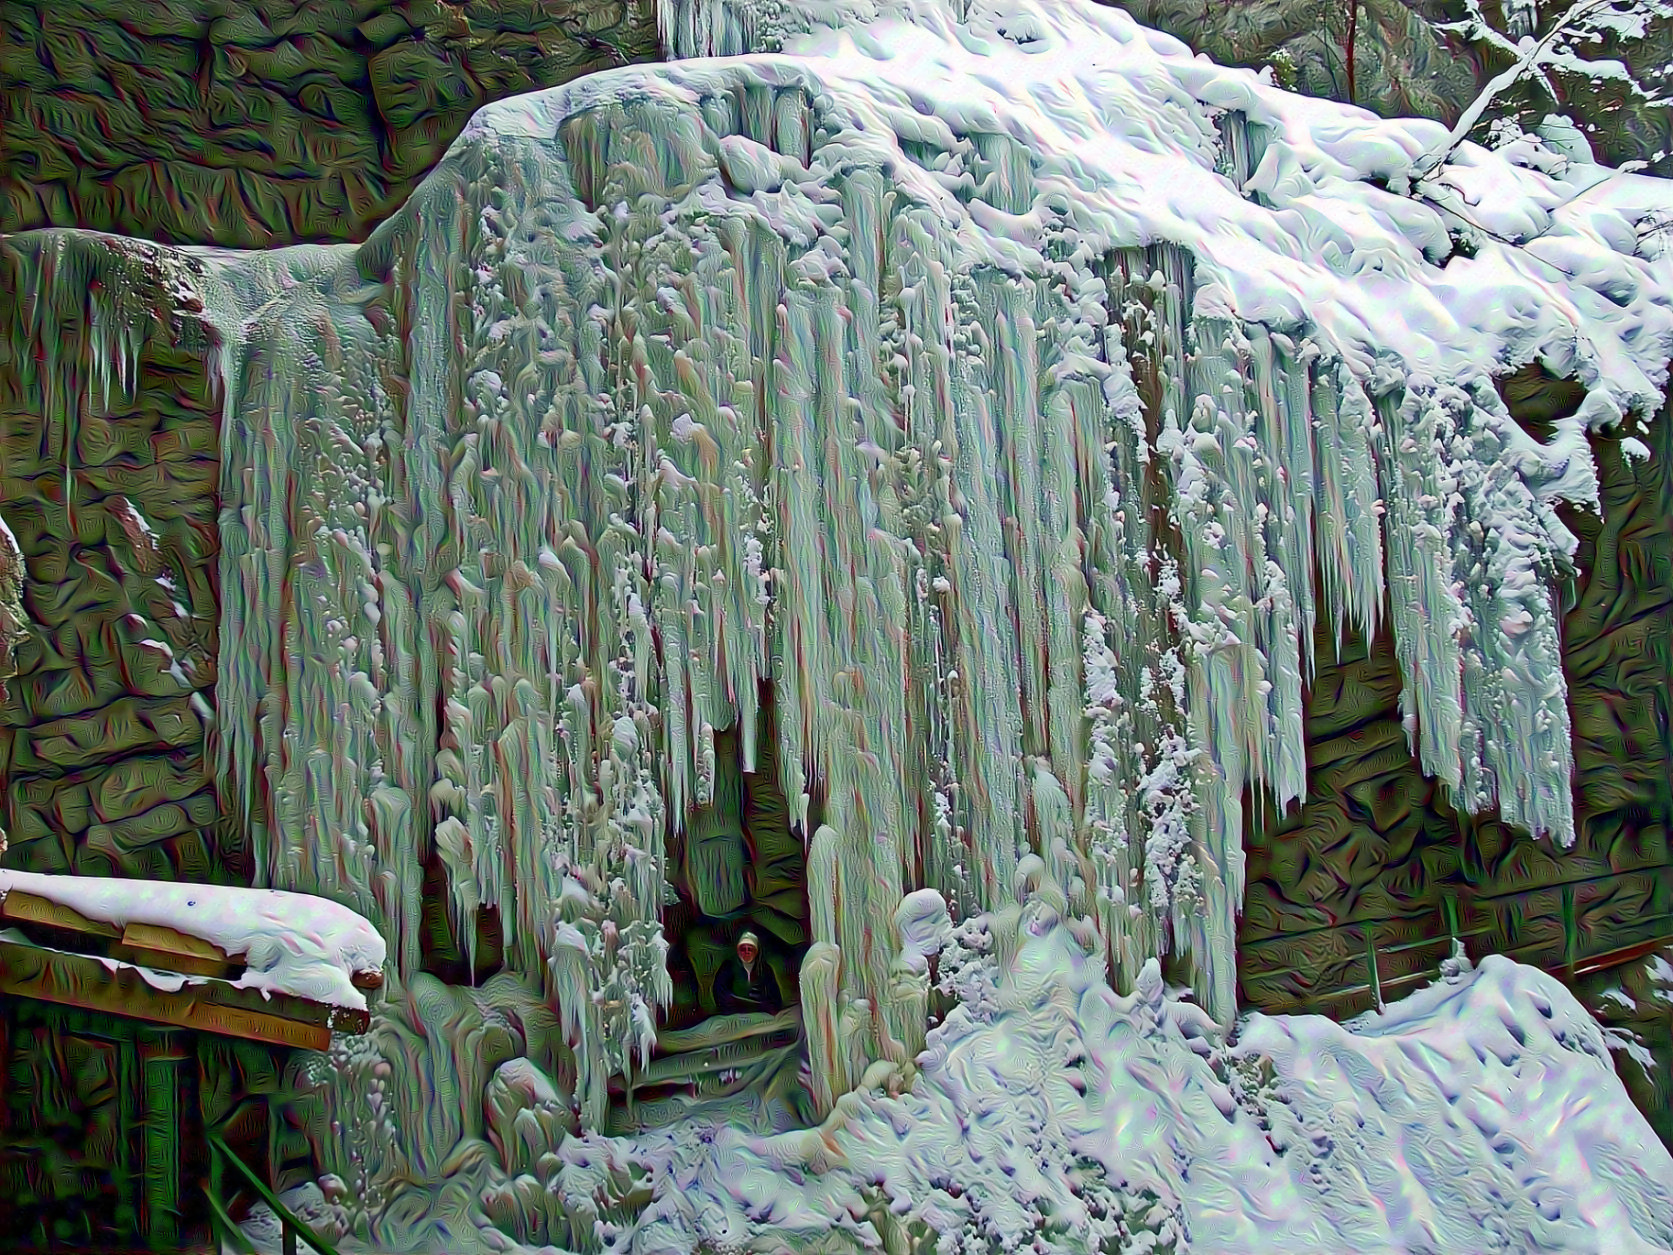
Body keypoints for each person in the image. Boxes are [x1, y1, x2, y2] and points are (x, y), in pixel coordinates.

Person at [715, 932, 783, 1015]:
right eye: (743, 949)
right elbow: (721, 993)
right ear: (738, 951)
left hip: (761, 1015)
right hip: (734, 1015)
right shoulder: (728, 966)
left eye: (750, 949)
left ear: (756, 951)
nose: (746, 952)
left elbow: (775, 998)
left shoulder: (765, 969)